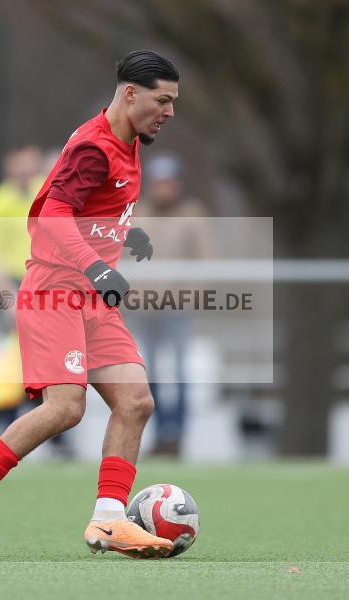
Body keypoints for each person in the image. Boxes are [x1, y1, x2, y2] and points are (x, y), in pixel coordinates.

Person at [0, 49, 180, 559]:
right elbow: (53, 216)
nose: (170, 112)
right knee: (66, 407)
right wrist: (96, 267)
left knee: (136, 402)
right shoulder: (94, 148)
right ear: (130, 94)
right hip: (55, 292)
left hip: (91, 298)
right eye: (162, 100)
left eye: (173, 102)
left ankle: (109, 519)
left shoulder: (131, 141)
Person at [0, 146, 73, 458]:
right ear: (9, 168)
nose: (27, 171)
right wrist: (7, 298)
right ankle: (2, 425)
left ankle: (0, 426)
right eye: (20, 165)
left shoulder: (45, 190)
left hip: (46, 283)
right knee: (22, 363)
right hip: (16, 285)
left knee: (39, 362)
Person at [134, 154, 212, 457]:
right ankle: (156, 434)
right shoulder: (139, 213)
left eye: (168, 183)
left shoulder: (192, 215)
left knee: (179, 370)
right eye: (158, 183)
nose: (163, 189)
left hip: (178, 306)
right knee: (148, 371)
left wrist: (188, 295)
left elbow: (205, 261)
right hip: (144, 306)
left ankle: (176, 434)